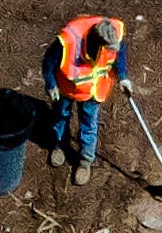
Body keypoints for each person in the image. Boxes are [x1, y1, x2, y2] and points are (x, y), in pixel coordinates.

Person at [45, 12, 131, 174]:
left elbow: (119, 56)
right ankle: (59, 144)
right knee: (61, 116)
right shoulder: (68, 40)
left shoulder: (115, 34)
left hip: (94, 90)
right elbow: (48, 63)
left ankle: (86, 160)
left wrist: (123, 77)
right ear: (98, 44)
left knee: (89, 124)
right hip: (66, 88)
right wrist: (51, 85)